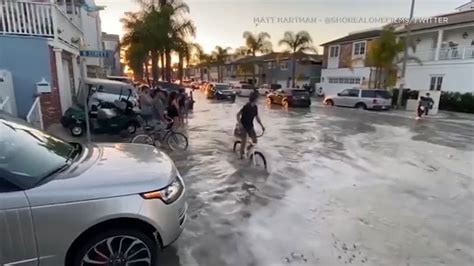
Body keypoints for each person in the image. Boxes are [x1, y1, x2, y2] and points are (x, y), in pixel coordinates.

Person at [236, 92, 265, 159]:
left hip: (250, 126)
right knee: (244, 140)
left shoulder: (255, 107)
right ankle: (241, 155)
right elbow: (238, 115)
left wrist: (262, 126)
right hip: (243, 126)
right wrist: (240, 124)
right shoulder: (247, 106)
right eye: (258, 98)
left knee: (255, 140)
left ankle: (248, 148)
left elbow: (257, 117)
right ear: (254, 99)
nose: (258, 100)